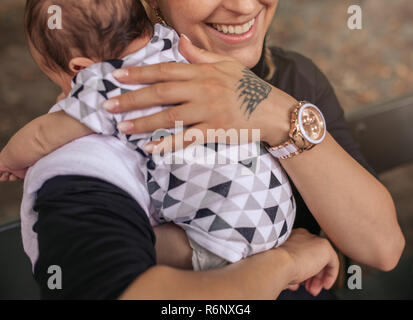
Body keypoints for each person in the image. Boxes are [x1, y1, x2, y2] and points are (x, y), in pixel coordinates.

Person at [17, 0, 405, 299]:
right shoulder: (87, 150)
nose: (244, 6)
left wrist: (277, 115)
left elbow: (382, 247)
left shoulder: (290, 77)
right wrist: (285, 262)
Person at [1, 0, 297, 272]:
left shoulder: (107, 83)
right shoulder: (175, 44)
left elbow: (42, 135)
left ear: (80, 69)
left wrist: (9, 160)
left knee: (134, 246)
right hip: (278, 206)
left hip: (230, 235)